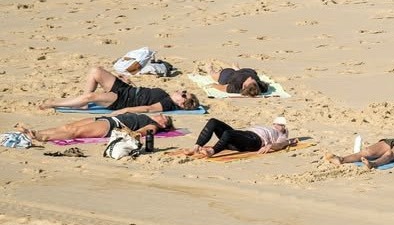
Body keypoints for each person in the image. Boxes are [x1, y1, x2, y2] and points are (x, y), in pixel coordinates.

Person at [39, 66, 200, 114]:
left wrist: (125, 110)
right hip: (126, 89)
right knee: (96, 71)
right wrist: (129, 83)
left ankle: (55, 103)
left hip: (123, 100)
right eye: (184, 91)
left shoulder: (167, 103)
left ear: (182, 103)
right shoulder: (165, 95)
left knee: (91, 96)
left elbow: (148, 108)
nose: (181, 91)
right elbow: (144, 95)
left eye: (183, 94)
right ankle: (82, 104)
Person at [182, 116, 298, 158]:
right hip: (242, 138)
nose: (278, 125)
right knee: (213, 122)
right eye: (277, 123)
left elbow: (281, 144)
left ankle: (212, 151)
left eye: (281, 125)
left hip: (255, 141)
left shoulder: (282, 135)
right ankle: (196, 147)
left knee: (228, 133)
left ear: (285, 128)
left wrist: (271, 145)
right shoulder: (270, 128)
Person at [16, 113, 173, 143]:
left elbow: (141, 132)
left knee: (75, 132)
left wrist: (127, 134)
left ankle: (43, 137)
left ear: (164, 124)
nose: (161, 115)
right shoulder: (146, 116)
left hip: (113, 125)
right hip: (108, 118)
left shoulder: (154, 125)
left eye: (164, 117)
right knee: (68, 126)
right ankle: (36, 132)